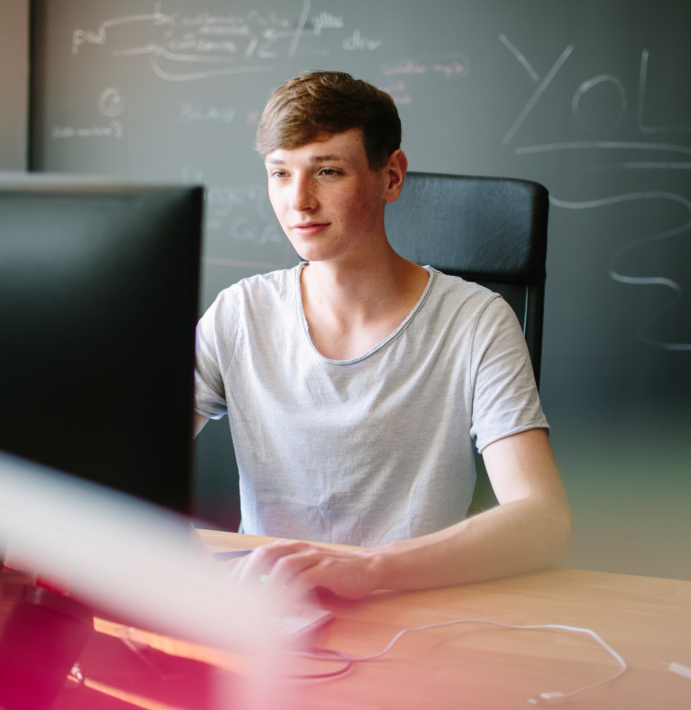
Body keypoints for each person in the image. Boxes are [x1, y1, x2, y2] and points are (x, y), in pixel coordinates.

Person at [193, 71, 572, 600]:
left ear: (391, 177)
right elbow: (131, 459)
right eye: (280, 173)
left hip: (415, 609)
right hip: (265, 609)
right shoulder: (240, 313)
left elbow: (544, 521)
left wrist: (366, 572)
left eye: (326, 171)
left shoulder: (475, 321)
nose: (298, 201)